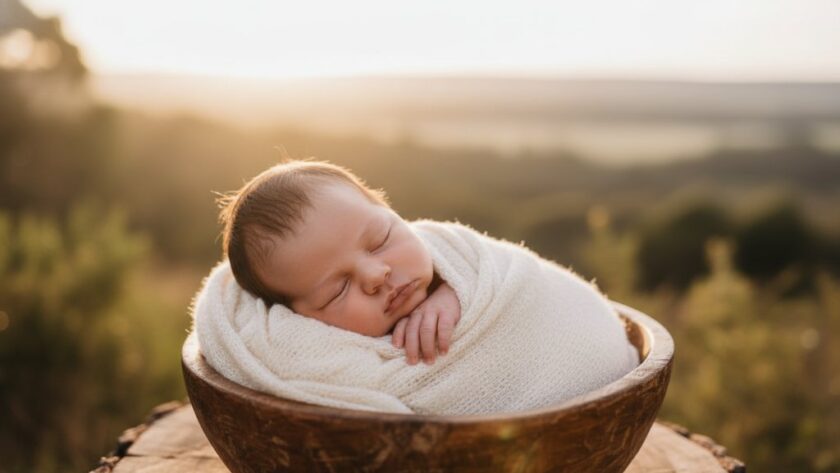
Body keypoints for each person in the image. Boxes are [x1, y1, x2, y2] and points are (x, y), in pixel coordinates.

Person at [218, 160, 461, 366]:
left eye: (380, 241)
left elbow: (493, 270)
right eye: (338, 290)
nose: (376, 275)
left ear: (392, 211)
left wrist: (456, 293)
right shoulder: (333, 364)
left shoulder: (460, 254)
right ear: (298, 318)